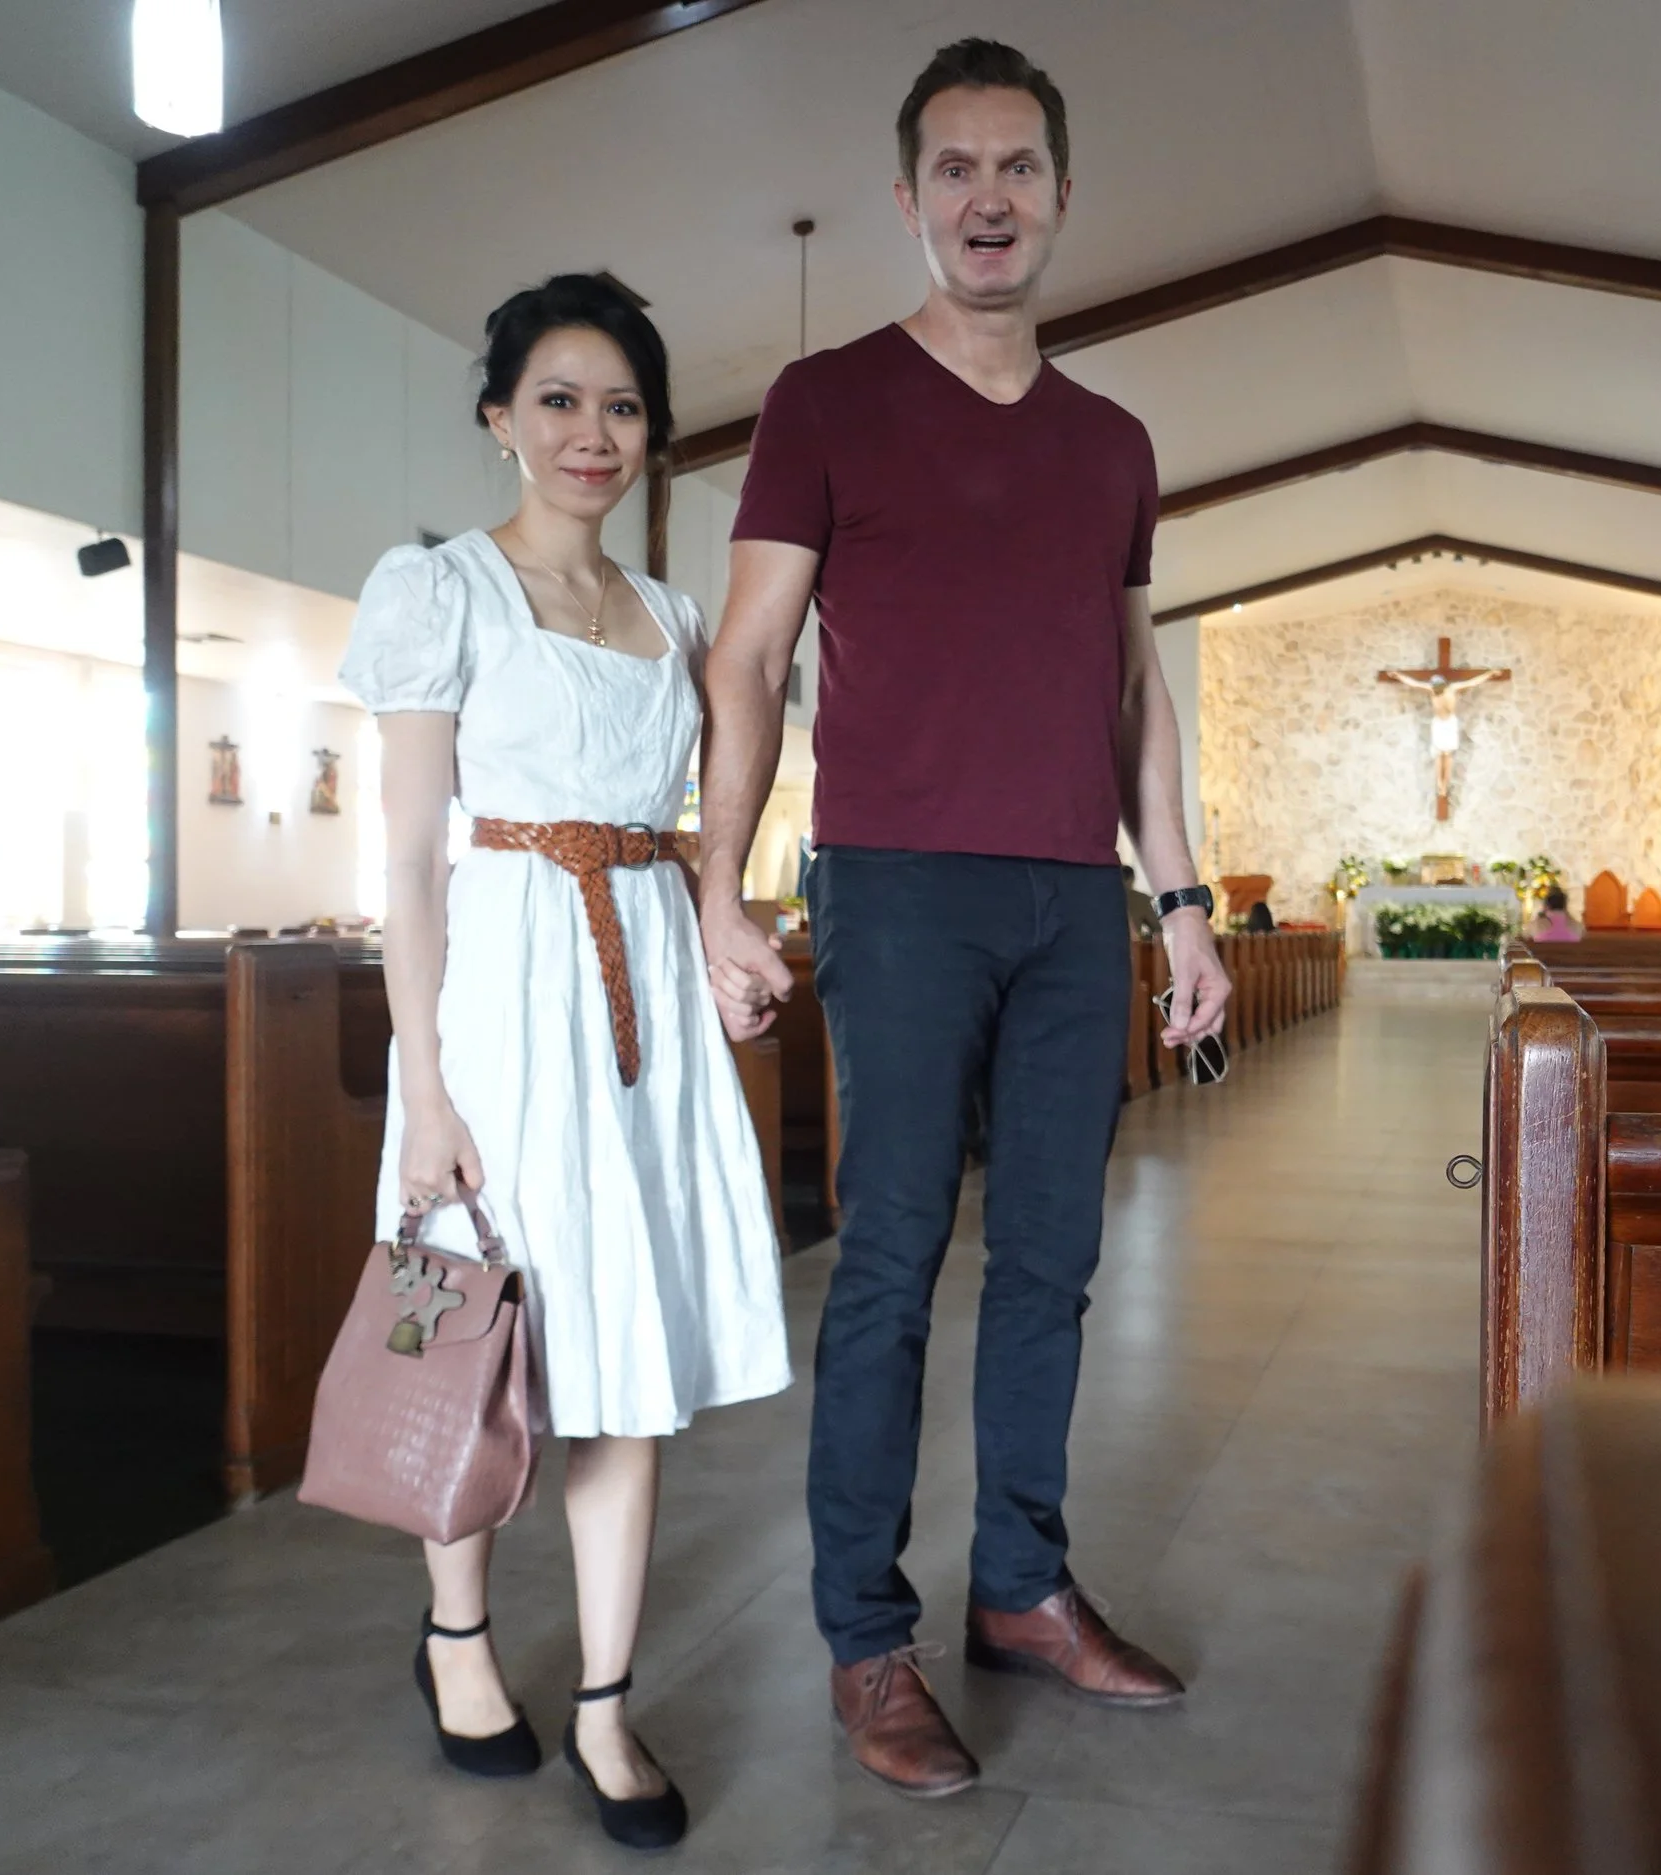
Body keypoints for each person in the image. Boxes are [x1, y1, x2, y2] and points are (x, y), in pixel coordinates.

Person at [694, 38, 1233, 1800]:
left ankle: (1021, 1586)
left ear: (1063, 194)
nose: (988, 198)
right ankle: (868, 1634)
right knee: (894, 1259)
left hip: (1077, 897)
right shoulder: (824, 400)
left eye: (1018, 167)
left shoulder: (1114, 442)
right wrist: (719, 885)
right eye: (955, 168)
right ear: (908, 196)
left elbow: (1135, 688)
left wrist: (1184, 901)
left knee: (1056, 1262)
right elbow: (750, 657)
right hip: (899, 885)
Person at [340, 274, 791, 1852]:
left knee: (624, 1360)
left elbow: (698, 843)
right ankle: (457, 1638)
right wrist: (426, 1089)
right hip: (497, 1003)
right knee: (473, 1327)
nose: (591, 433)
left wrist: (721, 955)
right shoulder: (441, 590)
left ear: (651, 432)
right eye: (557, 399)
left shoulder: (675, 618)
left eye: (621, 406)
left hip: (639, 1001)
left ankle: (606, 1698)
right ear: (500, 418)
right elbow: (410, 865)